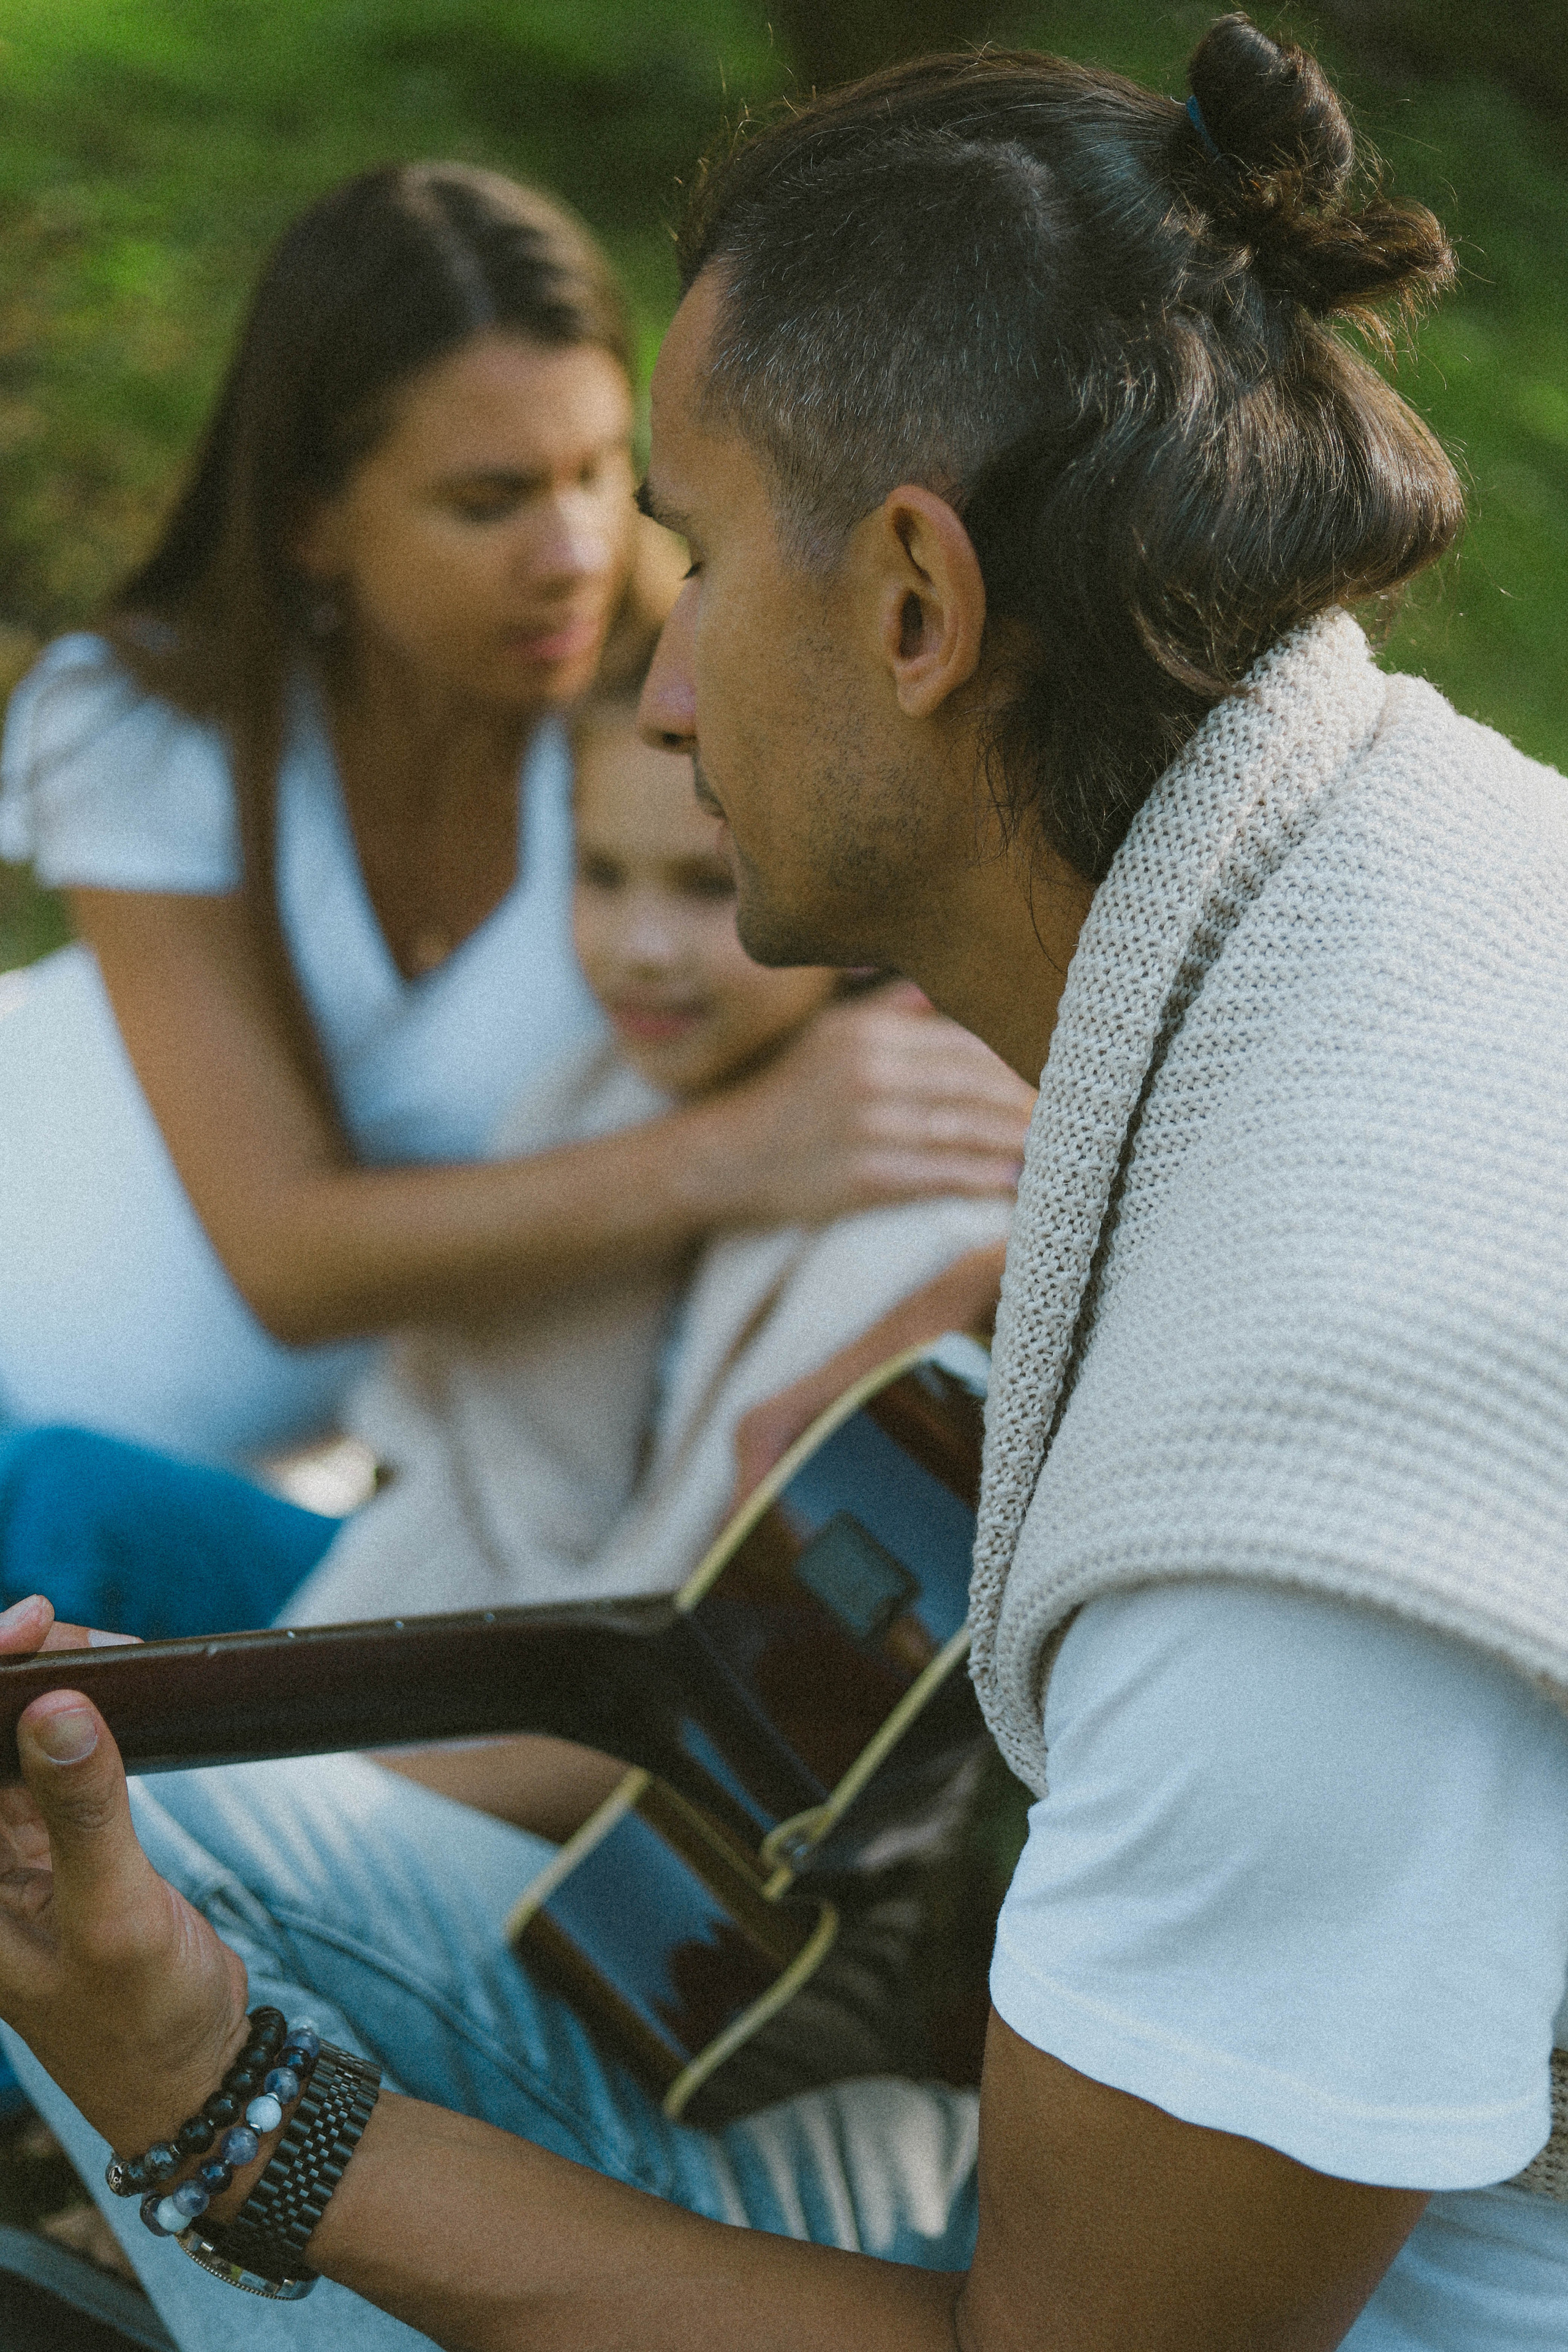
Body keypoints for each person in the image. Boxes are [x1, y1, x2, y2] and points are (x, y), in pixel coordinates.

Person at [2, 18, 1566, 2351]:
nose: (650, 693)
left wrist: (229, 2114)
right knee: (115, 1831)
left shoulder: (1305, 1463)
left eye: (703, 553)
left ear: (919, 608)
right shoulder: (1438, 877)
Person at [0, 160, 1029, 1466]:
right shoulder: (153, 719)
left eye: (600, 473)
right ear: (312, 522)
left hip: (231, 1505)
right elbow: (283, 1253)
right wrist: (744, 1150)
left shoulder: (690, 716)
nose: (573, 556)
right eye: (487, 502)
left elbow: (979, 1009)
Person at [0, 692, 1009, 1642]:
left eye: (712, 885)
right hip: (415, 1588)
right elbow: (428, 1457)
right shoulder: (584, 1093)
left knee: (51, 1509)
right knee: (59, 1494)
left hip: (545, 1690)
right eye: (600, 875)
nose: (642, 949)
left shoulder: (920, 1186)